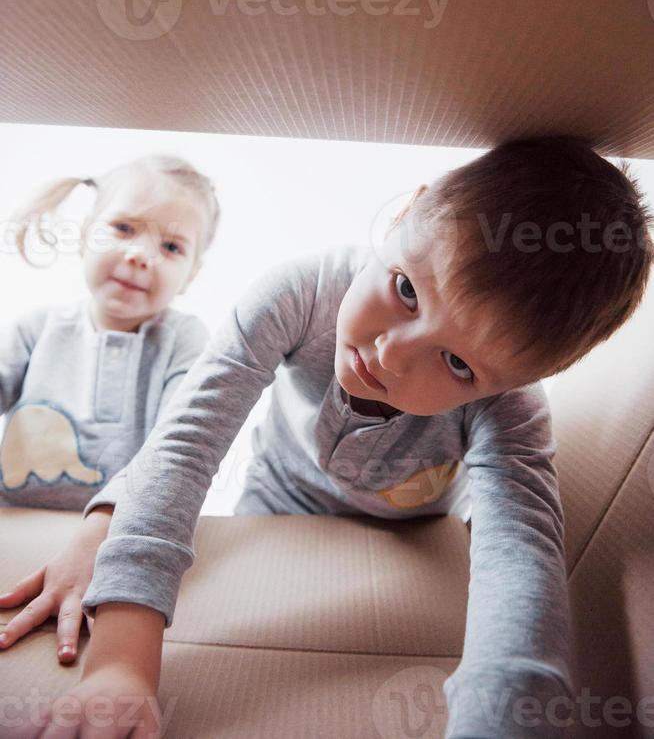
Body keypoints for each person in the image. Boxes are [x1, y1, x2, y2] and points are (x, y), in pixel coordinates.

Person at [18, 136, 654, 738]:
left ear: (513, 381)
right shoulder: (301, 293)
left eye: (457, 364)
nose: (390, 354)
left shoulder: (511, 407)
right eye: (405, 289)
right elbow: (184, 447)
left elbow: (522, 563)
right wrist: (121, 664)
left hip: (409, 538)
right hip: (277, 508)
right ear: (410, 210)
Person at [0, 154, 219, 666]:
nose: (142, 254)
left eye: (171, 246)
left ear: (190, 274)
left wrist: (102, 537)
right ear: (84, 236)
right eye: (122, 227)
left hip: (118, 542)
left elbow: (178, 449)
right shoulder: (37, 327)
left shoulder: (185, 341)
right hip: (17, 527)